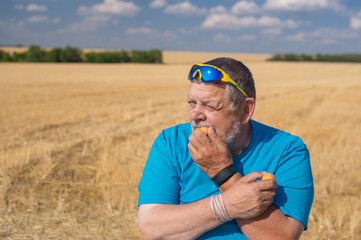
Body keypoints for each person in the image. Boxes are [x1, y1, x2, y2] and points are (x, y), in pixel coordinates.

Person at [138, 57, 314, 239]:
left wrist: (222, 171)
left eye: (209, 105)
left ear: (246, 110)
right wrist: (227, 206)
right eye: (192, 103)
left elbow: (283, 237)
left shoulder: (287, 150)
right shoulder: (170, 143)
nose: (195, 115)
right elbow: (151, 231)